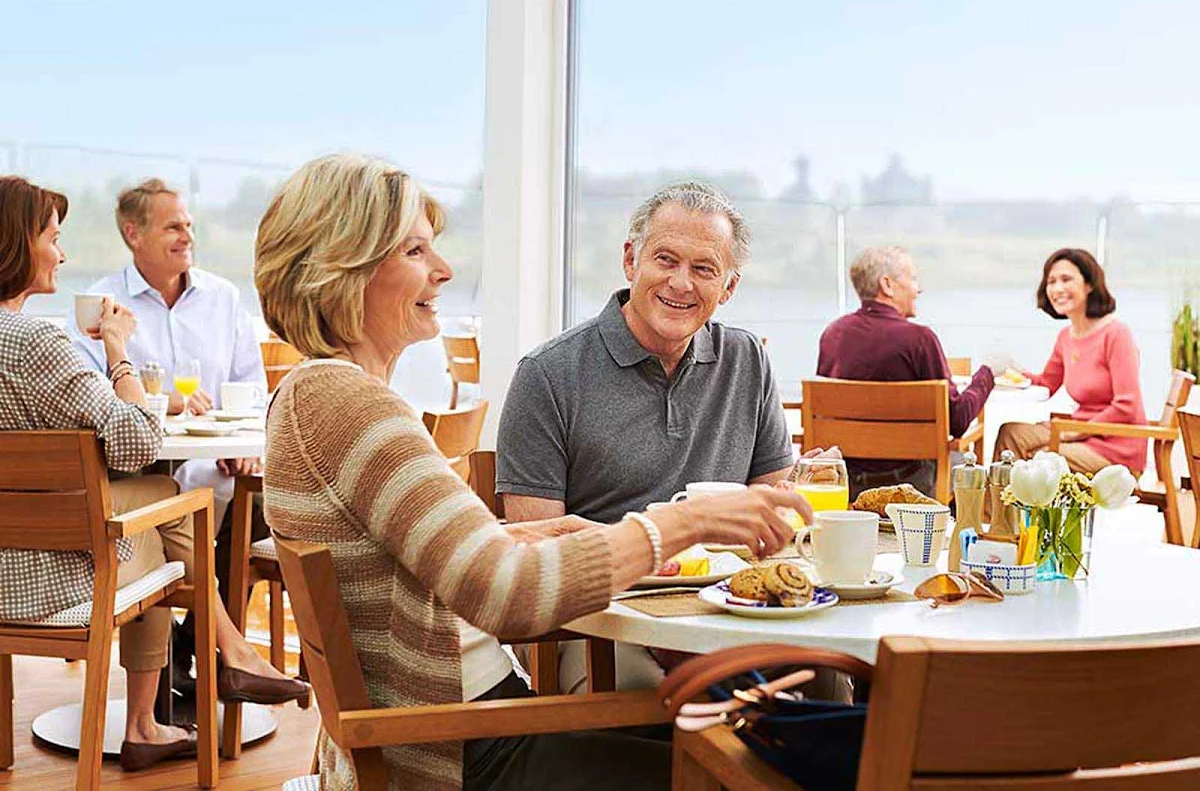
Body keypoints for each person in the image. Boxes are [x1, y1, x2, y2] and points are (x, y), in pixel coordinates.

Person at [253, 154, 810, 791]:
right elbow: (506, 595)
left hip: (485, 722)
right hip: (468, 752)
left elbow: (442, 560)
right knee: (759, 771)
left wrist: (538, 536)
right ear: (342, 270)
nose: (444, 269)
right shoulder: (346, 404)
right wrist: (681, 522)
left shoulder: (325, 397)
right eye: (414, 251)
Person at [0, 177, 308, 772]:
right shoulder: (34, 341)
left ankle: (163, 710)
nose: (62, 254)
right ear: (17, 245)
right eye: (54, 240)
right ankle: (216, 666)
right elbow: (136, 441)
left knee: (161, 505)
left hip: (9, 560)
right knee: (169, 503)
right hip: (54, 580)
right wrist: (119, 351)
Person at [494, 181, 799, 694]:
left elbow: (778, 513)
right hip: (595, 620)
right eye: (666, 259)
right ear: (631, 260)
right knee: (645, 693)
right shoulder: (547, 374)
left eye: (704, 269)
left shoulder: (747, 361)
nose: (682, 283)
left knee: (830, 677)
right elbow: (539, 560)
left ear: (727, 288)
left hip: (725, 608)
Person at [68, 178, 268, 693]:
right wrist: (166, 402)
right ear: (133, 233)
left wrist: (242, 448)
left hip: (211, 465)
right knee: (167, 508)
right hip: (133, 467)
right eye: (173, 226)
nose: (187, 235)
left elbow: (249, 385)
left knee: (244, 501)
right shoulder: (104, 309)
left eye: (190, 225)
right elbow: (99, 401)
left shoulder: (223, 299)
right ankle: (198, 658)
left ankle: (187, 652)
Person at [816, 246, 994, 501]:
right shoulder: (920, 339)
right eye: (912, 278)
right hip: (910, 484)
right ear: (886, 285)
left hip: (849, 482)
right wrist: (986, 374)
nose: (918, 289)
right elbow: (957, 422)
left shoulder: (832, 334)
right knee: (960, 457)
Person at [995, 248, 1146, 474]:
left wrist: (1074, 432)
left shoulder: (1116, 334)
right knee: (1010, 434)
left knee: (1037, 461)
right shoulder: (1067, 337)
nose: (1057, 288)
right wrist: (1006, 372)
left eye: (1066, 279)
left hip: (1114, 450)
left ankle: (1013, 509)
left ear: (1089, 284)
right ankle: (995, 511)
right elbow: (1046, 382)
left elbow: (1127, 406)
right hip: (1076, 433)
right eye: (1051, 281)